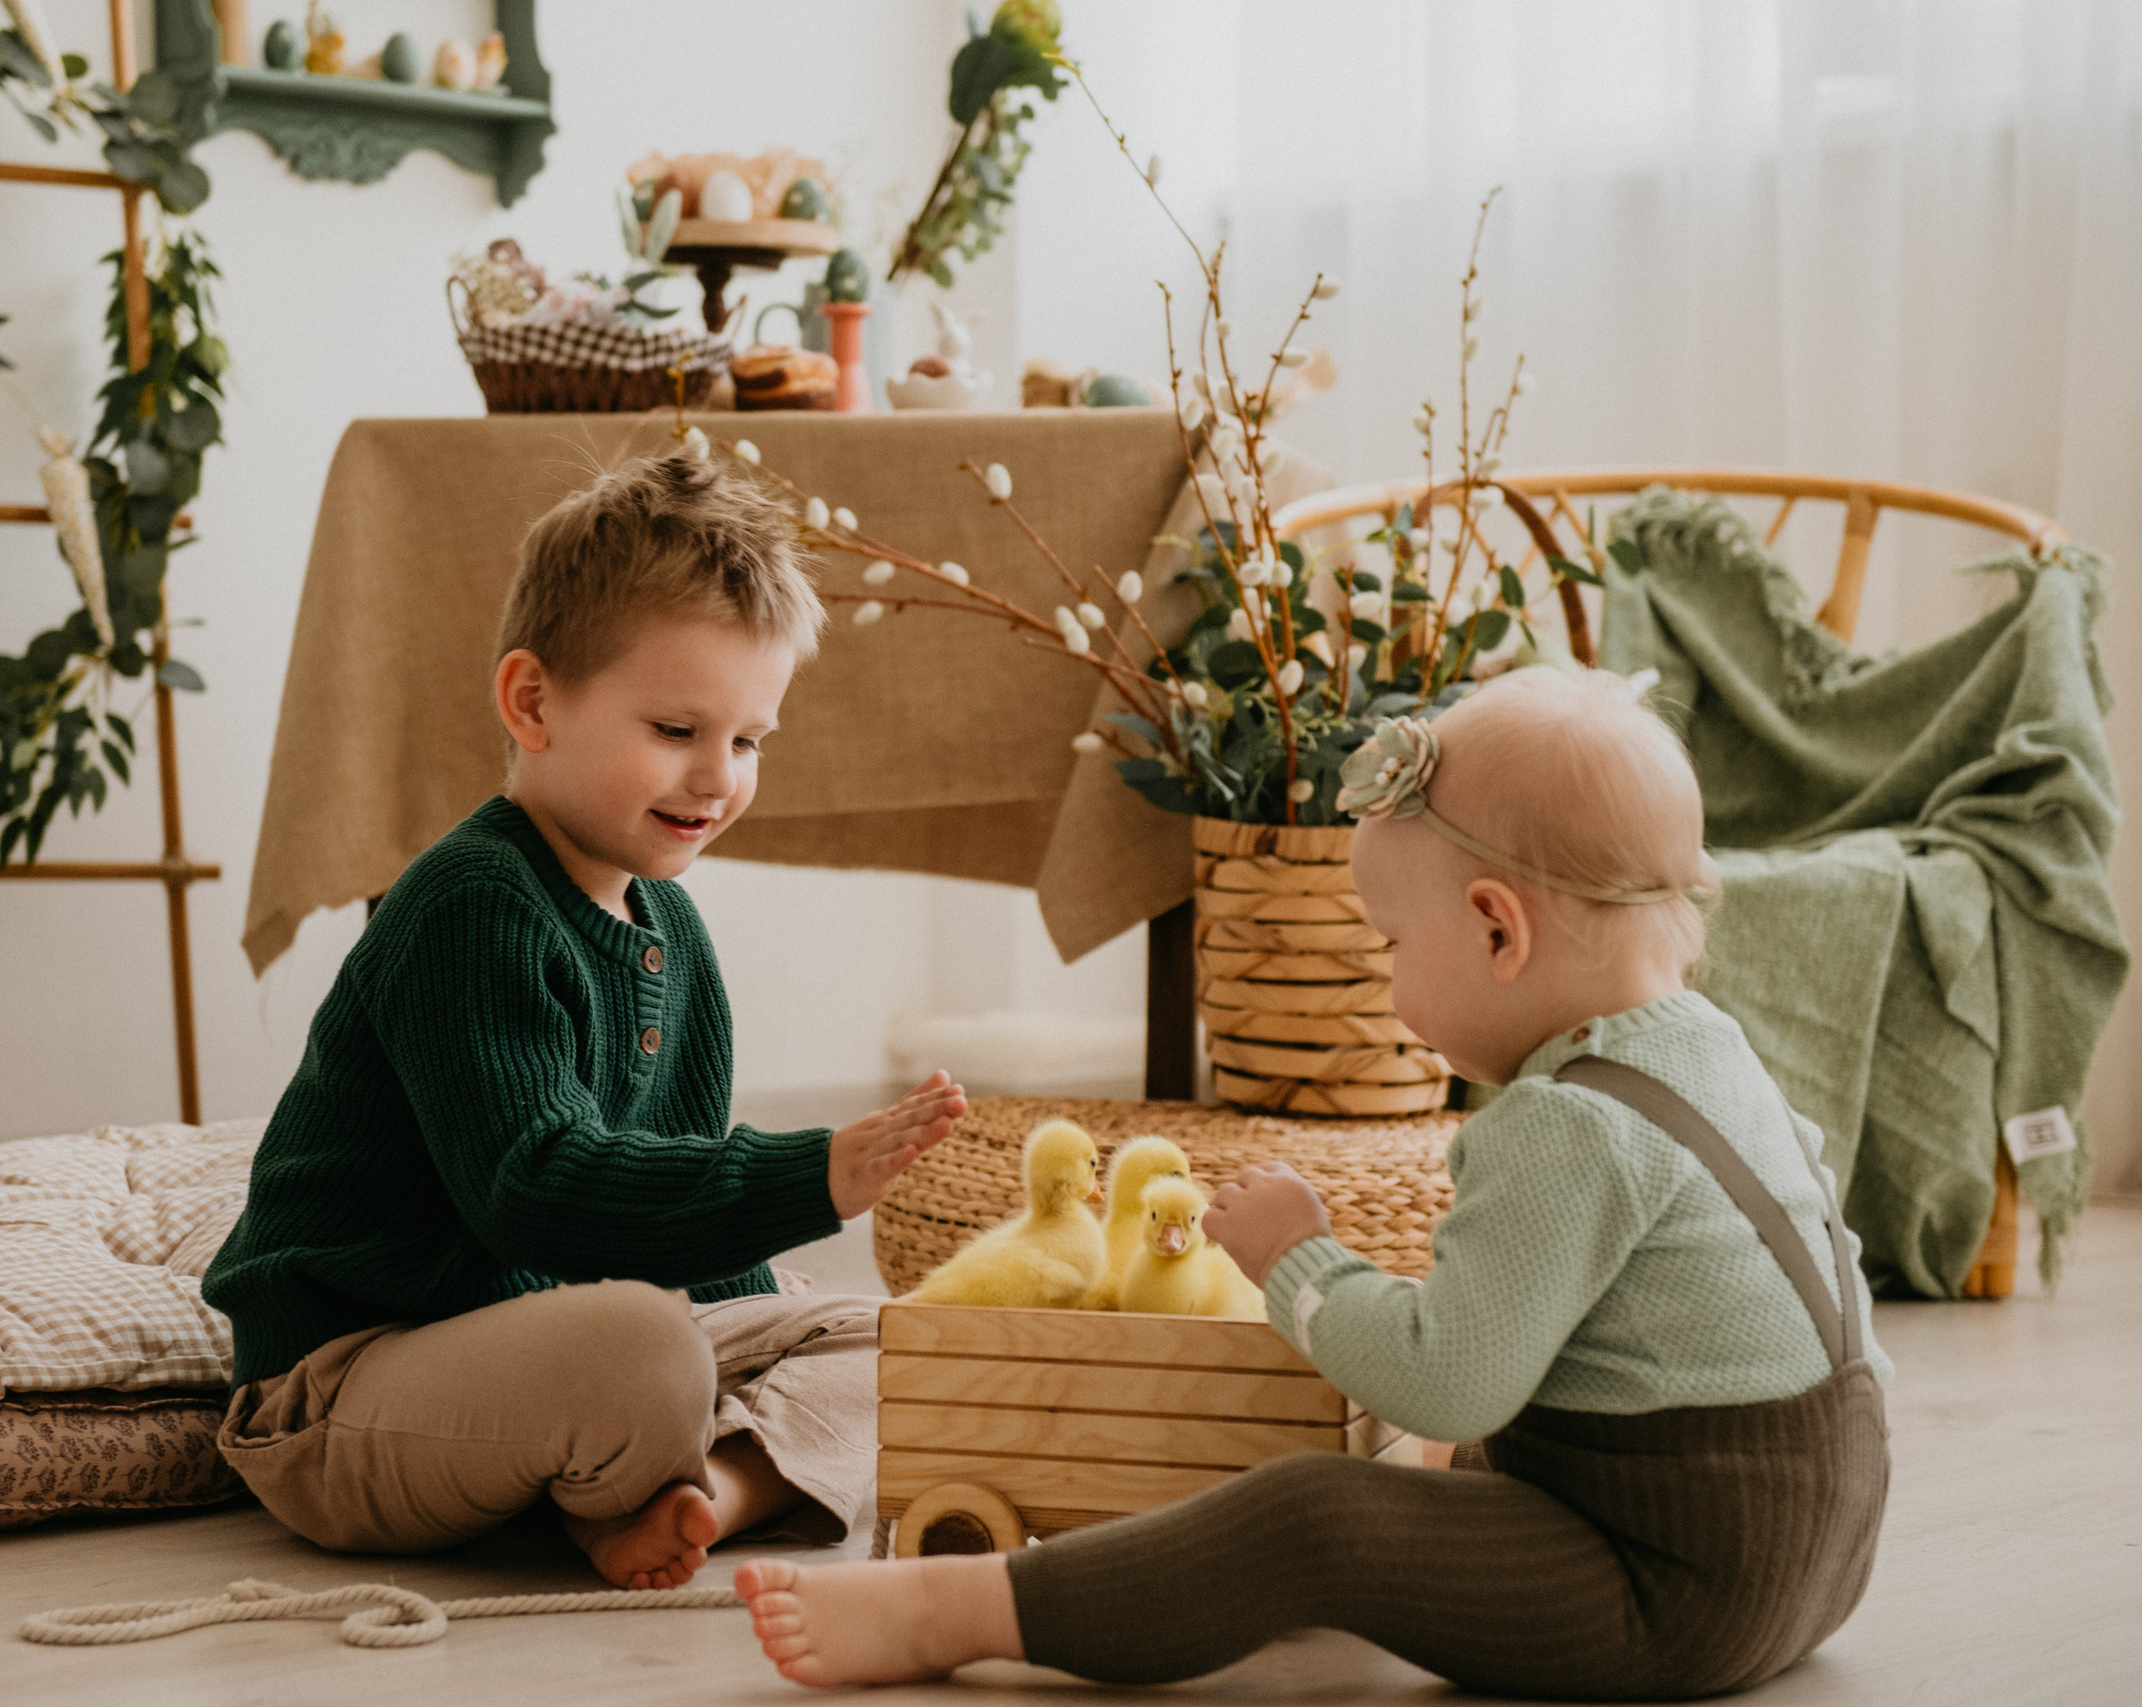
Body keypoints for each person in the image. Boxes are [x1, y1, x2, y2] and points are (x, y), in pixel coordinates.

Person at [737, 666, 1894, 1698]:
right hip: (1820, 1547)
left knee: (1313, 1515)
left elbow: (1448, 1386)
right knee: (1468, 1446)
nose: (1391, 988)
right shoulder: (1707, 1048)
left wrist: (1299, 1257)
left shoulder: (1567, 1124)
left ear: (1498, 931)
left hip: (1677, 1595)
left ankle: (961, 1611)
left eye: (1392, 943)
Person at [204, 444, 966, 1592]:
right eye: (675, 730)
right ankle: (653, 1465)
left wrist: (750, 1294)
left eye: (747, 740)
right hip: (350, 1385)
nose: (717, 779)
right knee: (642, 1347)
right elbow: (535, 1189)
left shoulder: (673, 932)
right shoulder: (471, 904)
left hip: (542, 1351)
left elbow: (666, 1180)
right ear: (532, 701)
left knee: (911, 1344)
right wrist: (803, 1179)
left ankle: (705, 1493)